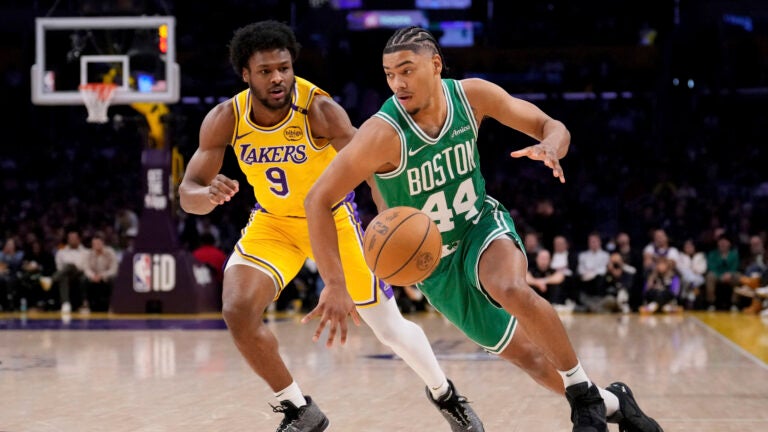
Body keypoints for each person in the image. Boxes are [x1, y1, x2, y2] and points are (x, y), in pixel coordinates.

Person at [304, 25, 663, 432]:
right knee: (529, 358)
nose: (397, 83)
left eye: (407, 70)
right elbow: (317, 199)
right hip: (434, 266)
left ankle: (582, 393)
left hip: (478, 224)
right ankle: (616, 402)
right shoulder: (381, 134)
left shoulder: (471, 95)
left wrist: (550, 146)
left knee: (507, 286)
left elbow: (551, 124)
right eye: (389, 74)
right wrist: (334, 282)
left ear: (435, 65)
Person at [178, 20, 481, 432]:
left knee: (389, 329)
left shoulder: (319, 110)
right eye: (266, 71)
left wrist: (391, 218)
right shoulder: (224, 119)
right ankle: (298, 408)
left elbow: (372, 170)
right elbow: (187, 194)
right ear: (245, 75)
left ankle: (446, 394)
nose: (278, 78)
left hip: (336, 221)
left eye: (284, 67)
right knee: (237, 309)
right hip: (274, 224)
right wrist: (207, 194)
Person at [81, 233, 119, 312]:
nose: (96, 246)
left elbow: (114, 269)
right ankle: (85, 303)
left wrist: (102, 275)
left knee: (114, 278)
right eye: (94, 244)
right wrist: (93, 276)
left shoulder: (110, 252)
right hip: (94, 277)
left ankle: (113, 305)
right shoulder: (89, 254)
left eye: (98, 243)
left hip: (106, 277)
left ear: (103, 243)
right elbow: (86, 268)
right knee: (83, 279)